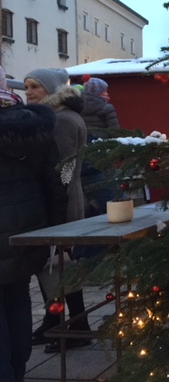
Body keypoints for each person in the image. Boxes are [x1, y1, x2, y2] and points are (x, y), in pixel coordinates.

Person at [0, 85, 68, 382]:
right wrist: (54, 233)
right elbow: (55, 183)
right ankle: (17, 370)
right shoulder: (34, 128)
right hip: (27, 231)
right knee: (17, 298)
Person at [23, 69, 92, 352]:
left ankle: (75, 325)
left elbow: (63, 168)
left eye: (34, 87)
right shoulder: (57, 116)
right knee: (52, 263)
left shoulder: (61, 120)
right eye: (26, 86)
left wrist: (58, 205)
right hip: (60, 197)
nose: (28, 92)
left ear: (50, 91)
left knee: (59, 263)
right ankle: (55, 322)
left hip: (61, 200)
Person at [80, 77, 119, 219]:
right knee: (111, 191)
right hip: (104, 152)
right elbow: (115, 132)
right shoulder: (107, 108)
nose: (107, 94)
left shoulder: (79, 107)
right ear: (99, 92)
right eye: (105, 91)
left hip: (85, 154)